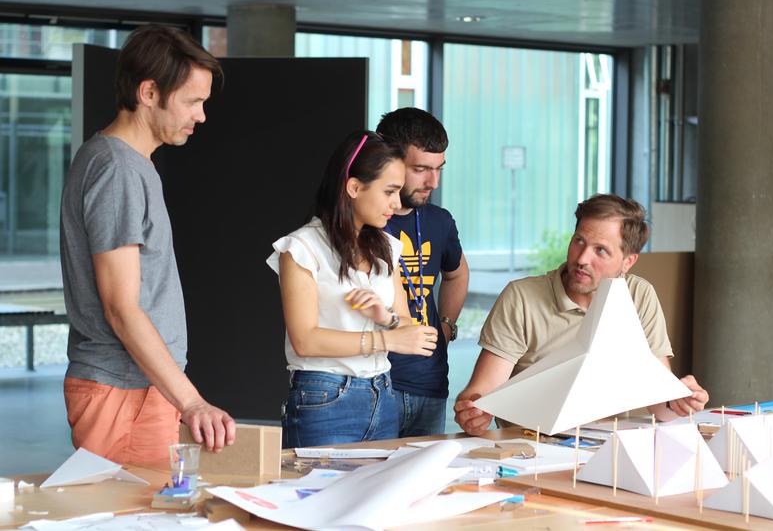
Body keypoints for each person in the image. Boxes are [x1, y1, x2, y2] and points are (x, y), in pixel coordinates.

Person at [59, 24, 235, 465]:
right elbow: (121, 307)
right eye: (192, 101)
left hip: (138, 387)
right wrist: (192, 401)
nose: (201, 116)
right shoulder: (117, 168)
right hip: (122, 390)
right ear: (149, 92)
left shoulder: (129, 164)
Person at [454, 194, 709, 435]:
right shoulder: (521, 297)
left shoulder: (639, 295)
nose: (582, 258)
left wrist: (679, 400)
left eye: (601, 250)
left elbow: (658, 404)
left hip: (605, 451)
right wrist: (474, 412)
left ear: (628, 262)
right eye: (579, 241)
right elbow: (482, 391)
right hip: (529, 448)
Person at [267, 131, 439, 448]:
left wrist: (384, 316)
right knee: (317, 496)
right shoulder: (302, 247)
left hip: (383, 394)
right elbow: (304, 340)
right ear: (354, 187)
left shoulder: (388, 247)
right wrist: (387, 338)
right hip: (324, 398)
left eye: (399, 192)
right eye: (389, 191)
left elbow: (408, 326)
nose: (397, 203)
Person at [376, 108, 469, 437]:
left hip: (428, 382)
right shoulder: (363, 220)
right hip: (373, 383)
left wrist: (446, 324)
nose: (433, 182)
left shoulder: (439, 221)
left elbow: (457, 274)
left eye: (438, 169)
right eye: (421, 169)